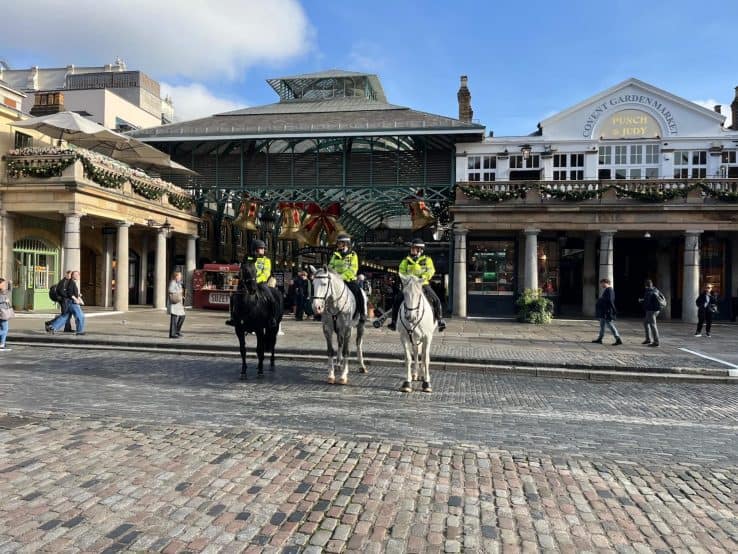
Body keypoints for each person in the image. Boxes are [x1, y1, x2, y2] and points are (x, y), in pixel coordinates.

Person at [387, 238, 446, 332]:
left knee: (436, 299)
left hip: (423, 284)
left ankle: (440, 320)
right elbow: (401, 272)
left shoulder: (427, 260)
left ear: (420, 250)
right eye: (411, 248)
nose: (411, 250)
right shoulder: (406, 261)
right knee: (397, 300)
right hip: (410, 285)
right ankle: (393, 322)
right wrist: (409, 279)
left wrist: (422, 277)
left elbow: (431, 271)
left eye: (413, 248)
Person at [225, 239, 274, 327]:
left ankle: (272, 317)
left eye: (263, 248)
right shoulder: (247, 258)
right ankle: (233, 318)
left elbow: (266, 273)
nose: (263, 250)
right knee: (233, 297)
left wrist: (255, 280)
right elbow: (243, 269)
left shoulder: (266, 260)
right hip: (248, 282)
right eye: (261, 248)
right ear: (255, 249)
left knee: (271, 297)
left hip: (260, 282)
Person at [328, 234, 366, 321]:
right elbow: (330, 266)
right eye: (338, 243)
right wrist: (331, 275)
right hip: (336, 280)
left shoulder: (353, 255)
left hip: (348, 280)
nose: (338, 244)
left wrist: (341, 277)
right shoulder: (335, 255)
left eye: (340, 243)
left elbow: (353, 269)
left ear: (345, 244)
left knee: (358, 292)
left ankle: (362, 313)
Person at [46, 270, 85, 335]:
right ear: (73, 276)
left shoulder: (70, 282)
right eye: (76, 275)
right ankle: (80, 331)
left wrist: (78, 296)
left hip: (68, 302)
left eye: (78, 275)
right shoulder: (71, 282)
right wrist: (76, 299)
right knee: (80, 316)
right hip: (72, 303)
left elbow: (70, 292)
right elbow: (70, 293)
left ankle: (52, 327)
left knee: (65, 316)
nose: (77, 276)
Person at [591, 278, 622, 345]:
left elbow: (610, 301)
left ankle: (618, 338)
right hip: (604, 311)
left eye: (602, 283)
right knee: (602, 325)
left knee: (610, 325)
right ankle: (600, 339)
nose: (601, 285)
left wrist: (613, 310)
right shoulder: (607, 290)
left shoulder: (609, 290)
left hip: (607, 311)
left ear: (605, 283)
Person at [639, 279, 662, 347]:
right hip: (657, 310)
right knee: (646, 323)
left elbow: (647, 302)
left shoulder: (648, 291)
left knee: (653, 325)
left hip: (651, 310)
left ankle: (656, 342)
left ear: (646, 285)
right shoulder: (655, 289)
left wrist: (641, 301)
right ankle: (648, 339)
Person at [167, 270, 186, 338]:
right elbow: (170, 290)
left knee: (183, 316)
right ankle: (172, 334)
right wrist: (179, 291)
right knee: (174, 318)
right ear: (176, 276)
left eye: (181, 275)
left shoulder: (179, 283)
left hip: (179, 303)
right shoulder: (173, 282)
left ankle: (177, 331)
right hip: (174, 303)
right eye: (179, 275)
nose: (181, 277)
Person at [0, 278, 11, 351]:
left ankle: (2, 344)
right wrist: (5, 300)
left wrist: (10, 284)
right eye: (3, 284)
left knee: (3, 328)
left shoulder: (3, 291)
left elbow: (9, 291)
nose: (4, 285)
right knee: (5, 329)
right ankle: (2, 344)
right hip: (2, 312)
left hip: (3, 312)